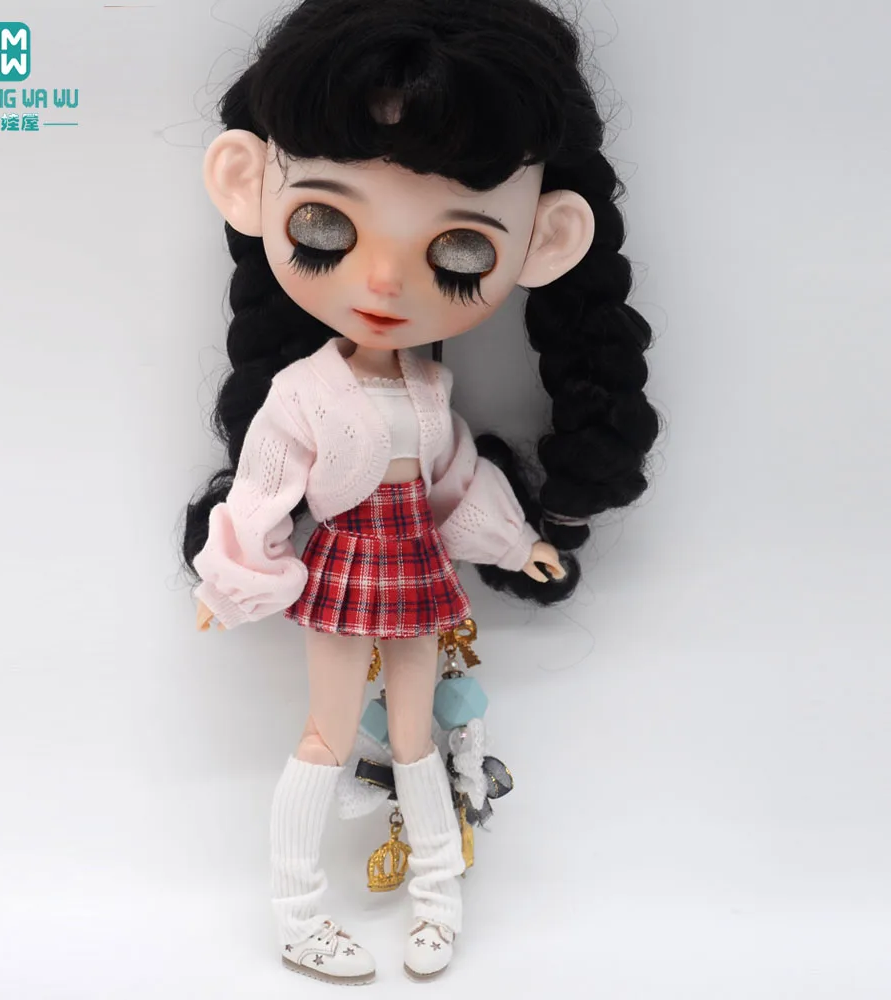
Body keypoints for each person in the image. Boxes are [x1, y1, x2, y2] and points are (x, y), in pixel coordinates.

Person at [182, 0, 659, 983]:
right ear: (246, 186)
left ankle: (437, 903)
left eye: (460, 250)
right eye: (326, 225)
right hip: (345, 564)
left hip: (413, 567)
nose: (384, 281)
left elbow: (454, 482)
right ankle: (297, 913)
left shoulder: (430, 388)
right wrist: (227, 581)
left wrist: (517, 542)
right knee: (324, 735)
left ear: (546, 241)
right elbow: (264, 491)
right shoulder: (301, 392)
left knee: (415, 738)